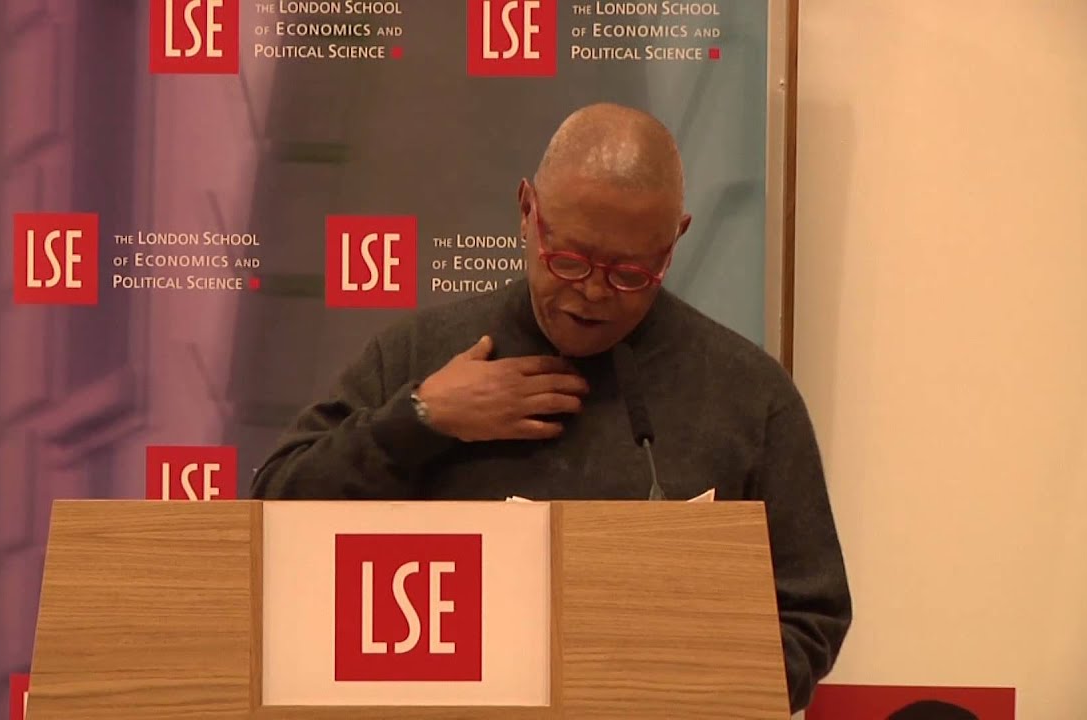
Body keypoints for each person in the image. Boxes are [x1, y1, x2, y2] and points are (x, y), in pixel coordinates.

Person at [250, 102, 852, 713]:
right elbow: (273, 508)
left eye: (630, 273)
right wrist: (420, 419)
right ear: (527, 211)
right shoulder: (418, 354)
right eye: (569, 260)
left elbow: (811, 612)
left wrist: (687, 689)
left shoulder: (749, 394)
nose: (592, 292)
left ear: (674, 242)